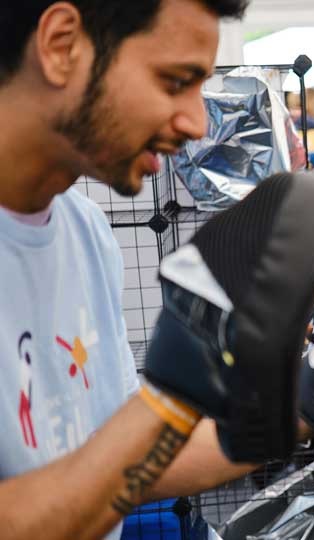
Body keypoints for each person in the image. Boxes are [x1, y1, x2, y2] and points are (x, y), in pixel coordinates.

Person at [0, 2, 269, 538]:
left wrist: (303, 403)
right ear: (60, 47)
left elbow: (120, 464)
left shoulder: (86, 230)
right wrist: (177, 393)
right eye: (174, 82)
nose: (196, 123)